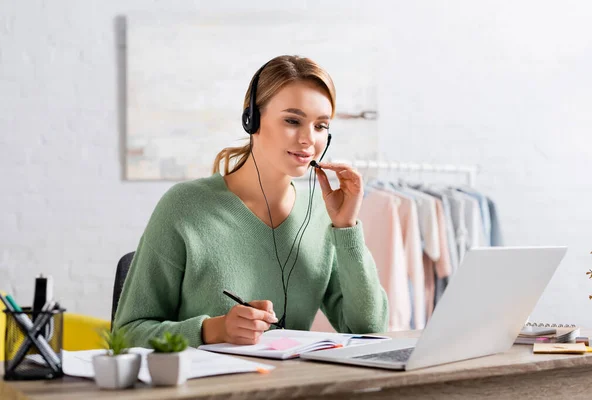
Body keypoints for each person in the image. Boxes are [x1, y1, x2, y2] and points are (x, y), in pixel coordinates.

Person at [113, 55, 388, 347]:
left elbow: (369, 328)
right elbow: (127, 334)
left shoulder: (321, 213)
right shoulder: (184, 207)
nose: (309, 139)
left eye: (321, 126)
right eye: (293, 121)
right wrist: (213, 330)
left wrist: (346, 227)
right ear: (252, 120)